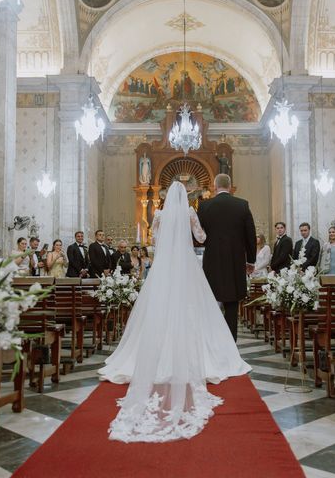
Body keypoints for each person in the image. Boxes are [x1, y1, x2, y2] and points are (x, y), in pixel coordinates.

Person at [98, 181, 250, 443]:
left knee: (160, 305)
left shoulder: (158, 215)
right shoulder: (191, 212)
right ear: (185, 198)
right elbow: (202, 237)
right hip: (187, 265)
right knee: (192, 307)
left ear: (166, 197)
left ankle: (155, 352)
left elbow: (154, 239)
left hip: (163, 268)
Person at [197, 173, 257, 341]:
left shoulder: (204, 206)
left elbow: (198, 235)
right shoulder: (242, 205)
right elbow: (250, 236)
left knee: (211, 301)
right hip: (235, 262)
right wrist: (250, 260)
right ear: (230, 186)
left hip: (212, 262)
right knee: (232, 303)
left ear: (214, 187)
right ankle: (230, 343)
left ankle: (213, 340)